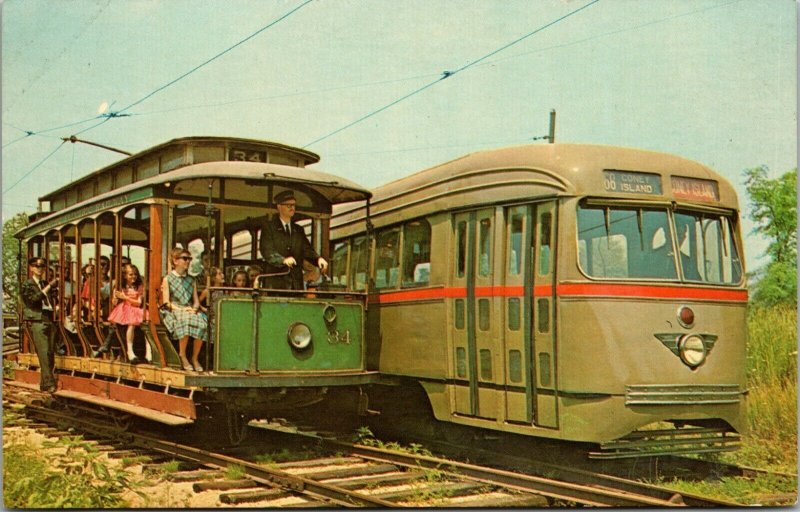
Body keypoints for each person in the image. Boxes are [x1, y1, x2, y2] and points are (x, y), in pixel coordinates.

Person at [259, 190, 328, 290]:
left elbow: (306, 249)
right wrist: (282, 260)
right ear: (279, 207)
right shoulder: (269, 228)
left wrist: (318, 259)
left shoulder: (299, 230)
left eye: (294, 205)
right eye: (288, 205)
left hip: (296, 284)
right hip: (276, 284)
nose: (292, 208)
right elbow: (267, 251)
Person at [160, 248, 207, 372]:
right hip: (173, 309)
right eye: (185, 258)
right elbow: (166, 302)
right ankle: (182, 355)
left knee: (202, 323)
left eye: (189, 259)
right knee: (185, 320)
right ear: (175, 261)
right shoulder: (168, 279)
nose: (188, 261)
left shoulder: (191, 280)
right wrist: (181, 309)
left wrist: (194, 308)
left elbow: (196, 300)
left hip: (189, 308)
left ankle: (195, 358)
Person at [96, 264, 149, 363]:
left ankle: (149, 352)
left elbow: (138, 302)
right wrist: (115, 298)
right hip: (126, 310)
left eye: (135, 275)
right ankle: (130, 351)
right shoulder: (121, 286)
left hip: (136, 309)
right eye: (131, 275)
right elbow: (113, 301)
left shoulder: (139, 286)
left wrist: (125, 298)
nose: (134, 277)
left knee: (147, 325)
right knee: (131, 324)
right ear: (125, 276)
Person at [21, 257, 58, 392]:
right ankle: (49, 384)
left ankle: (44, 384)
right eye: (36, 266)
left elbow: (51, 298)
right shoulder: (27, 285)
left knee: (50, 352)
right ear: (31, 268)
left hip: (48, 317)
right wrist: (49, 287)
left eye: (42, 266)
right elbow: (33, 300)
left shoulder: (44, 283)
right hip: (37, 320)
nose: (39, 269)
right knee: (43, 352)